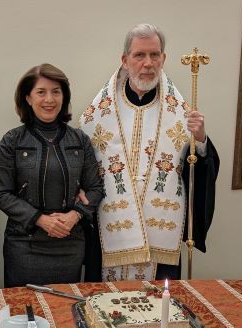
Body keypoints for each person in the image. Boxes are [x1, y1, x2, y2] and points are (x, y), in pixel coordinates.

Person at [80, 24, 219, 282]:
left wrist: (200, 141)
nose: (148, 63)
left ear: (163, 59)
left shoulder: (180, 113)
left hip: (162, 234)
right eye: (139, 55)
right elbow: (81, 164)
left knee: (159, 310)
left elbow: (199, 173)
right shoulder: (99, 114)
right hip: (110, 232)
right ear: (124, 60)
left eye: (155, 55)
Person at [0, 63, 104, 288]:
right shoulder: (12, 141)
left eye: (56, 91)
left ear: (64, 96)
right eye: (41, 92)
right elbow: (1, 193)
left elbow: (96, 188)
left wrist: (75, 215)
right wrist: (40, 220)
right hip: (25, 244)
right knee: (25, 314)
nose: (49, 99)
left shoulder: (80, 140)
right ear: (28, 98)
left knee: (63, 313)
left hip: (69, 241)